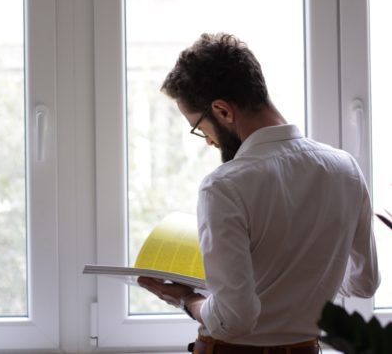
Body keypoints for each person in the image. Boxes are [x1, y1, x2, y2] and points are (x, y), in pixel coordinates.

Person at [138, 33, 380, 354]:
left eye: (200, 128)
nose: (208, 141)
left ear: (223, 111)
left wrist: (186, 298)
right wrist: (307, 281)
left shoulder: (224, 186)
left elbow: (234, 320)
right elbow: (364, 283)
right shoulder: (345, 168)